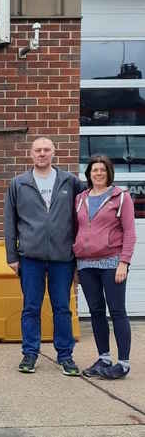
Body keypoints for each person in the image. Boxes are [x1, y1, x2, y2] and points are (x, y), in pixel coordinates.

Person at [4, 137, 86, 376]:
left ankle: (65, 356)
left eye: (46, 150)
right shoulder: (19, 183)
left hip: (63, 256)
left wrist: (80, 251)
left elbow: (84, 215)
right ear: (31, 154)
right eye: (38, 150)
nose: (42, 153)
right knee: (31, 307)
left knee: (62, 307)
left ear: (53, 153)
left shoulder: (70, 182)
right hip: (30, 257)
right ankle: (30, 354)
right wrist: (12, 256)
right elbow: (10, 222)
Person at [73, 155, 135, 380]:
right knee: (96, 312)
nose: (98, 173)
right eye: (94, 170)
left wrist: (124, 262)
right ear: (88, 174)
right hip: (86, 264)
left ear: (109, 173)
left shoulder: (121, 197)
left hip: (112, 263)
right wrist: (75, 267)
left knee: (117, 311)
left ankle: (124, 363)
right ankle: (104, 358)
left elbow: (129, 232)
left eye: (102, 170)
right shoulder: (81, 198)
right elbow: (75, 230)